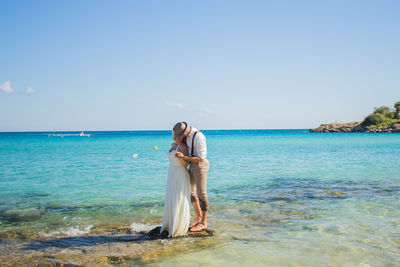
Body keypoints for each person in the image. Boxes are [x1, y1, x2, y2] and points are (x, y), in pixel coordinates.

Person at [173, 122, 209, 232]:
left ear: (186, 132)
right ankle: (198, 217)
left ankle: (203, 222)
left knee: (201, 193)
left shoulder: (199, 137)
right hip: (192, 165)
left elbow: (201, 158)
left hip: (200, 165)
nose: (179, 137)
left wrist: (184, 157)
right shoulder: (186, 137)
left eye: (180, 136)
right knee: (190, 192)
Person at [160, 131, 191, 237]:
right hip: (172, 173)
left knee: (179, 198)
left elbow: (186, 164)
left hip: (180, 174)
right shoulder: (173, 145)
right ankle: (170, 222)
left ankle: (178, 226)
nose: (175, 136)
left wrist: (181, 157)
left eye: (177, 134)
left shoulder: (183, 146)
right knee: (172, 197)